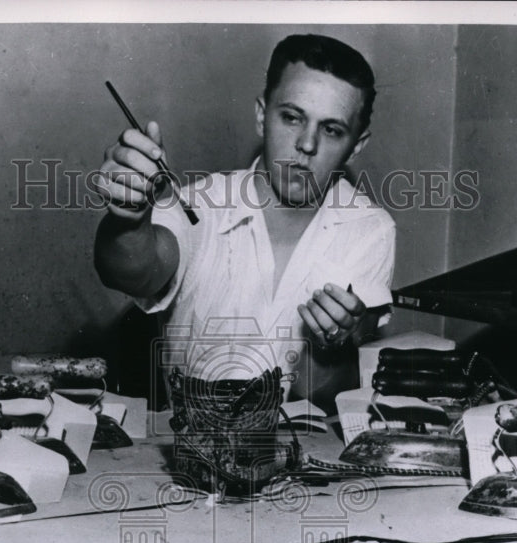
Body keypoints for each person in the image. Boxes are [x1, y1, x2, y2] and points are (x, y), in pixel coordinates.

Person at [93, 34, 395, 409]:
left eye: (331, 130)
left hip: (303, 456)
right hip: (192, 453)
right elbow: (135, 272)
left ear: (357, 145)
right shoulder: (197, 204)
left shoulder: (369, 229)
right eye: (291, 117)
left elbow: (325, 398)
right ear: (261, 115)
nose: (307, 144)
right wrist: (128, 219)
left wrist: (328, 346)